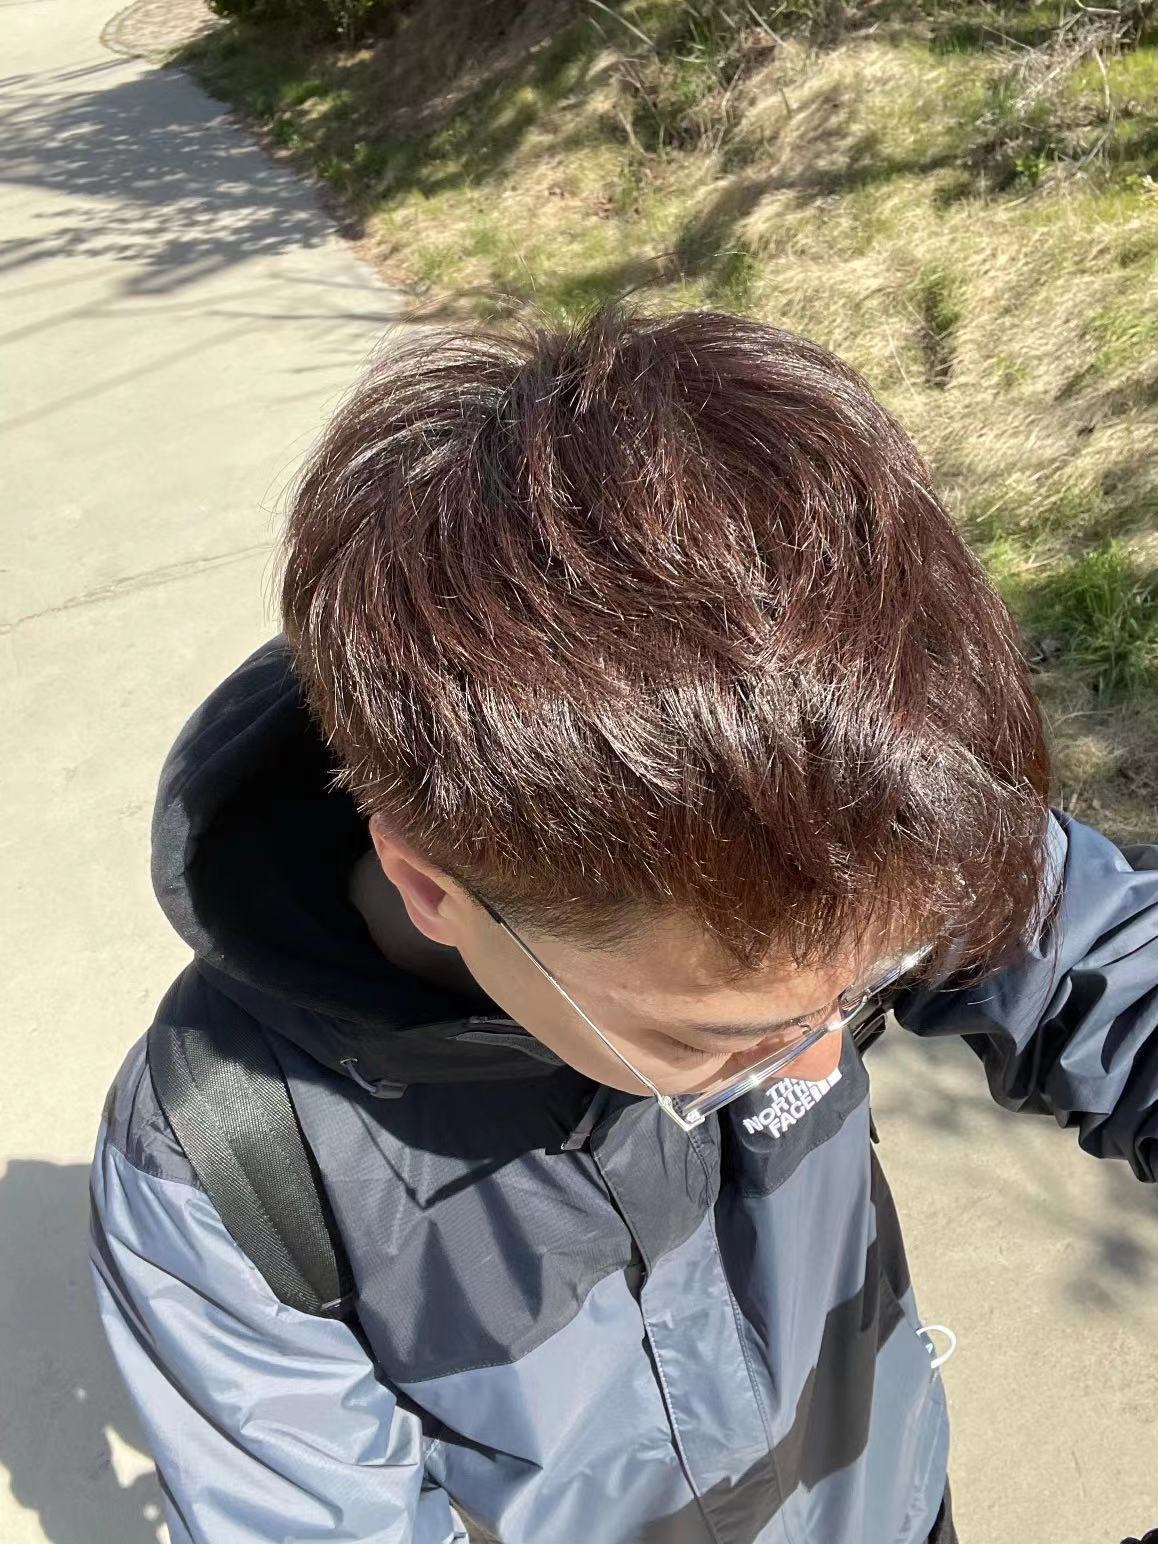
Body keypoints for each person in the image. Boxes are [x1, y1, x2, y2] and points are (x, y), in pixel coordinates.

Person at [88, 305, 1158, 1544]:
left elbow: (1112, 959)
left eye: (867, 986)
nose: (821, 1058)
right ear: (432, 886)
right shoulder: (226, 1168)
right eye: (723, 1040)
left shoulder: (878, 810)